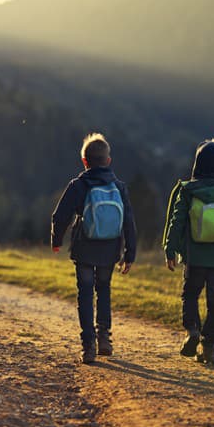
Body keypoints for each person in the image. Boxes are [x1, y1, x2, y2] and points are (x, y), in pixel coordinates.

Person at [51, 132, 137, 363]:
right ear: (108, 161)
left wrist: (57, 240)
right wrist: (130, 253)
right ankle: (104, 338)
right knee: (104, 289)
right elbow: (128, 221)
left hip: (85, 248)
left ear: (84, 161)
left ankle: (88, 345)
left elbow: (60, 217)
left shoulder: (78, 185)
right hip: (110, 249)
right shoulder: (118, 186)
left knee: (85, 293)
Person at [163, 139, 214, 365]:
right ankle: (210, 348)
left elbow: (176, 222)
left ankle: (192, 330)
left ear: (197, 165)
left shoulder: (188, 191)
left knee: (190, 295)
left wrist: (170, 249)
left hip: (195, 259)